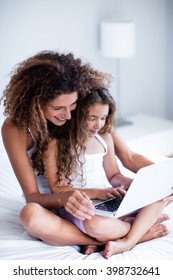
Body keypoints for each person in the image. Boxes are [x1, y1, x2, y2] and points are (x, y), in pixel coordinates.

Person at [1, 50, 172, 255]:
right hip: (54, 204)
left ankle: (120, 233)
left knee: (158, 192)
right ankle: (133, 235)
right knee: (30, 216)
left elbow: (128, 157)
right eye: (58, 108)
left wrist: (163, 177)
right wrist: (65, 198)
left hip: (93, 203)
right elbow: (33, 197)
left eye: (72, 105)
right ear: (36, 103)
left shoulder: (84, 109)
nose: (68, 115)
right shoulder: (16, 129)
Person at [43, 88, 172, 258]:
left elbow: (113, 175)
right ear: (77, 115)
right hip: (80, 206)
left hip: (108, 199)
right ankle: (141, 231)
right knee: (96, 226)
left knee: (160, 195)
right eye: (92, 118)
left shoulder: (104, 138)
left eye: (103, 118)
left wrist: (125, 183)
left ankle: (128, 239)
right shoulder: (56, 143)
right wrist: (100, 193)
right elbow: (57, 189)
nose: (99, 125)